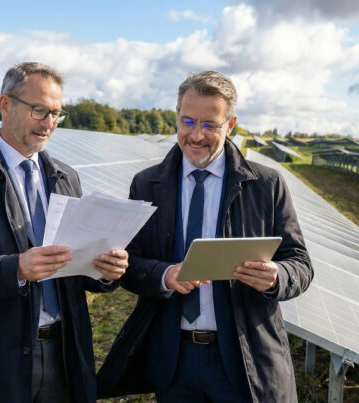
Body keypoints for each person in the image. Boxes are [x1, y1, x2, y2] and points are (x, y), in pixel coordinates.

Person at [98, 71, 313, 402]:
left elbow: (299, 263)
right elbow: (130, 262)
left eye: (209, 125)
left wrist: (276, 277)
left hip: (242, 358)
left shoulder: (265, 185)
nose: (196, 135)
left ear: (231, 125)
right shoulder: (147, 184)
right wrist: (164, 275)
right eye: (187, 122)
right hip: (174, 359)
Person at [0, 62, 129, 403]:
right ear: (5, 105)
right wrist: (16, 269)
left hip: (63, 354)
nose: (49, 123)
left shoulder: (66, 177)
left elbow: (75, 268)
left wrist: (106, 271)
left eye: (56, 113)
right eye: (39, 110)